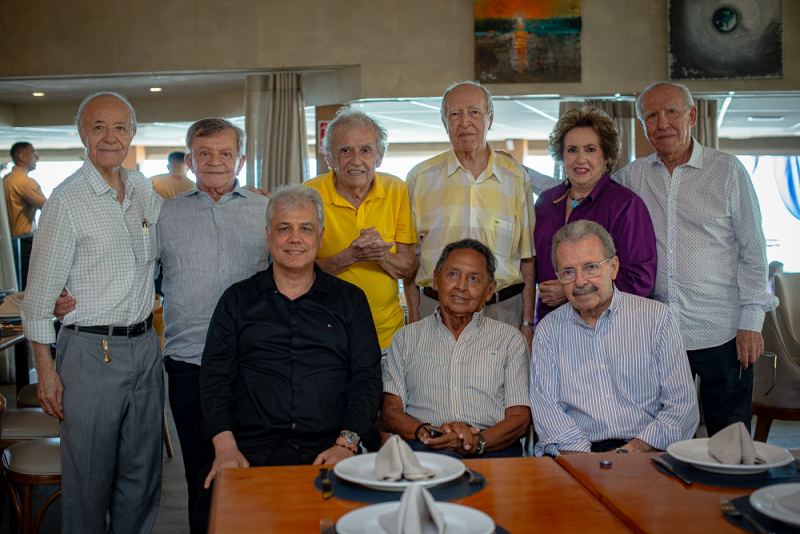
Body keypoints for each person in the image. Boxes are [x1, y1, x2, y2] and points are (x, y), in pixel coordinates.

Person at [54, 117, 269, 532]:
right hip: (190, 365)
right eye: (204, 153)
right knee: (201, 475)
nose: (215, 162)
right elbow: (127, 267)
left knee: (259, 470)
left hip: (257, 364)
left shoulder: (267, 209)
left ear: (240, 159)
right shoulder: (162, 214)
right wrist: (69, 293)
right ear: (190, 160)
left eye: (226, 153)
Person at [524, 82, 777, 436]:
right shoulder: (635, 175)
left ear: (691, 116)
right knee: (665, 431)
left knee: (729, 434)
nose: (662, 123)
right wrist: (515, 174)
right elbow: (582, 181)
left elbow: (753, 250)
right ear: (642, 124)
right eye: (651, 116)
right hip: (658, 332)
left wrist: (751, 321)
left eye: (672, 112)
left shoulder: (728, 171)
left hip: (721, 327)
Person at [193, 184, 382, 532]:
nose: (295, 239)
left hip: (329, 447)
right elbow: (215, 378)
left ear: (320, 237)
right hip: (250, 449)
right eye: (284, 228)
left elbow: (366, 379)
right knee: (211, 505)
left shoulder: (350, 301)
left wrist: (347, 444)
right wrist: (226, 448)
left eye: (305, 228)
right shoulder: (236, 301)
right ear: (268, 237)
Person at [21, 92, 164, 534]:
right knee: (89, 480)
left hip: (144, 347)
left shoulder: (142, 188)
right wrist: (45, 370)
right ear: (83, 133)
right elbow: (38, 299)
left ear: (133, 134)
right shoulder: (66, 201)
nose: (110, 137)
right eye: (98, 126)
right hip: (89, 351)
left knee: (143, 475)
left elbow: (176, 234)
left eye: (120, 127)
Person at [530, 220, 699, 456]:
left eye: (591, 267)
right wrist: (588, 463)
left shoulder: (656, 318)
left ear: (613, 267)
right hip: (578, 455)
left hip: (647, 450)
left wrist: (631, 451)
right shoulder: (548, 331)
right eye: (568, 272)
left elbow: (682, 405)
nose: (580, 282)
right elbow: (547, 410)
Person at [404, 81, 536, 349]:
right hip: (436, 313)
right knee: (435, 390)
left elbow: (527, 257)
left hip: (503, 313)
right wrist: (415, 317)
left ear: (490, 118)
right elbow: (410, 258)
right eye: (455, 114)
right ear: (444, 122)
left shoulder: (516, 176)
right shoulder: (420, 178)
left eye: (474, 112)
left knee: (502, 390)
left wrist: (527, 322)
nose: (465, 122)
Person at [382, 238, 531, 459]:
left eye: (473, 279)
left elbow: (519, 418)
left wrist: (477, 442)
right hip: (425, 444)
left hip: (493, 447)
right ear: (435, 279)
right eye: (453, 274)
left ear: (489, 290)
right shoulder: (406, 338)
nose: (461, 286)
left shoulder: (509, 340)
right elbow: (390, 411)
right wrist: (429, 433)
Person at [305, 106, 416, 358]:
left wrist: (380, 255)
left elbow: (409, 266)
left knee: (387, 399)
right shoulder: (309, 194)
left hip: (387, 338)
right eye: (346, 151)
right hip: (325, 337)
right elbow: (298, 270)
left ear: (379, 156)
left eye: (366, 150)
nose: (356, 161)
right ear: (330, 157)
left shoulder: (396, 189)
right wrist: (351, 255)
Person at [533, 106, 656, 323]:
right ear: (562, 156)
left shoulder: (625, 205)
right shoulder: (545, 202)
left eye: (590, 149)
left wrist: (570, 291)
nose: (580, 159)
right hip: (550, 326)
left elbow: (639, 280)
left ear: (606, 155)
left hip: (606, 326)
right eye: (572, 150)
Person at [3, 141, 47, 290]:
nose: (37, 157)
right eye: (33, 154)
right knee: (29, 290)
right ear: (22, 157)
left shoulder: (6, 180)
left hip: (9, 243)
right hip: (24, 243)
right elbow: (49, 208)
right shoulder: (24, 182)